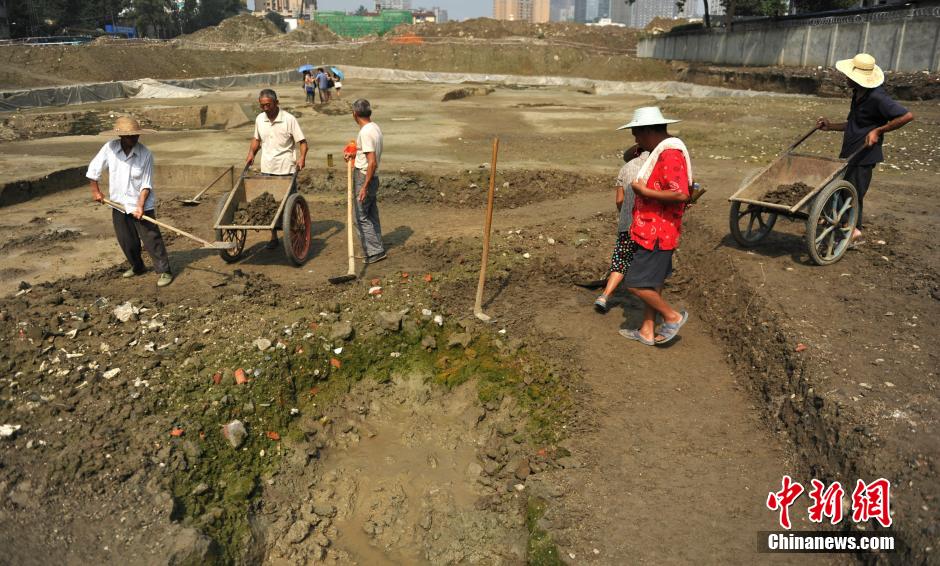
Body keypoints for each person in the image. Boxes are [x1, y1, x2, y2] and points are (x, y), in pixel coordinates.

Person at [816, 53, 913, 245]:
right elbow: (854, 123)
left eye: (848, 76)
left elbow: (907, 116)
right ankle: (839, 220)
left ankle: (855, 232)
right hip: (850, 151)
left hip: (865, 155)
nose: (845, 79)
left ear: (858, 78)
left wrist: (878, 130)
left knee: (854, 192)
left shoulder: (878, 96)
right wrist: (831, 126)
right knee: (841, 188)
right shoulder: (858, 94)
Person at [616, 107, 692, 346]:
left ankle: (672, 317)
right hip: (652, 228)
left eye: (637, 134)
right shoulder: (659, 151)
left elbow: (680, 194)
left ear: (648, 131)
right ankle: (647, 330)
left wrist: (643, 191)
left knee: (635, 284)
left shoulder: (669, 154)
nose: (635, 140)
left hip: (657, 232)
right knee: (653, 282)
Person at [87, 116, 173, 287]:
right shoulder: (110, 148)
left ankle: (164, 271)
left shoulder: (145, 154)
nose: (133, 139)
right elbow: (93, 169)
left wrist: (140, 206)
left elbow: (146, 184)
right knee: (127, 241)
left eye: (136, 136)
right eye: (129, 136)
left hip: (141, 205)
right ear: (121, 137)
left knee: (151, 240)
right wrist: (96, 191)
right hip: (119, 204)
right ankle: (137, 266)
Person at [245, 88, 308, 248]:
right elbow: (256, 139)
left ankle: (292, 235)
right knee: (269, 204)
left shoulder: (289, 119)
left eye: (268, 105)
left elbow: (302, 142)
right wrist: (251, 153)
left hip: (286, 168)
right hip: (267, 167)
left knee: (289, 205)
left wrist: (302, 158)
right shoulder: (260, 119)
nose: (265, 108)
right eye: (262, 105)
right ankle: (273, 237)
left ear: (276, 103)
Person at [594, 144, 649, 313]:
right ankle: (647, 302)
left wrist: (625, 214)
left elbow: (619, 200)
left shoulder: (626, 168)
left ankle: (604, 296)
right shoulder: (658, 166)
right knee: (647, 262)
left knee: (621, 261)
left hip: (628, 223)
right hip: (650, 225)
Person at [343, 98, 386, 264]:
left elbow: (372, 161)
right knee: (371, 213)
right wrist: (355, 154)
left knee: (360, 216)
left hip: (365, 176)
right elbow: (368, 155)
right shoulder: (374, 127)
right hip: (371, 176)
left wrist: (364, 187)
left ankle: (374, 251)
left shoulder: (366, 132)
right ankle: (377, 248)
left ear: (354, 114)